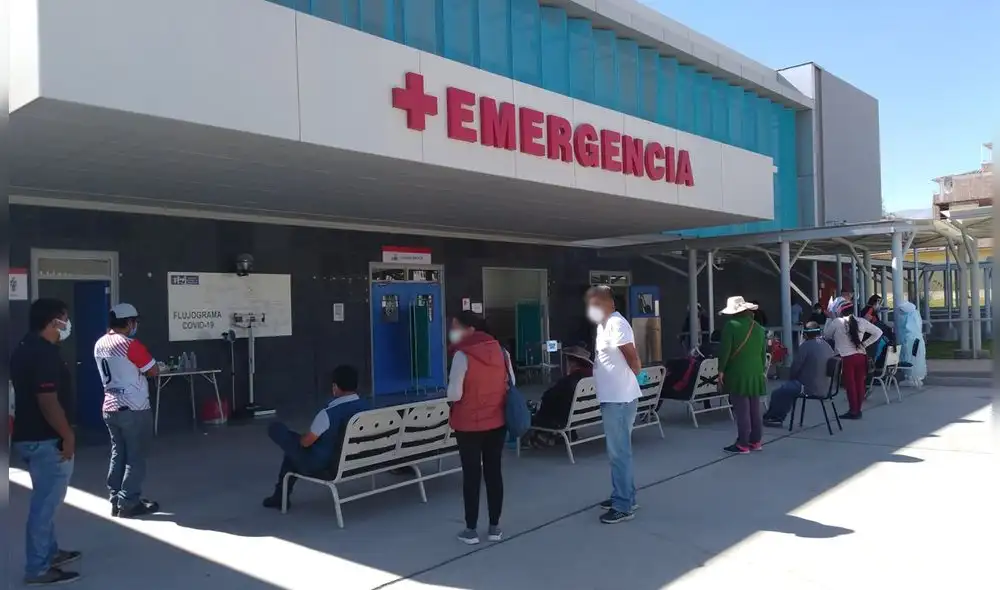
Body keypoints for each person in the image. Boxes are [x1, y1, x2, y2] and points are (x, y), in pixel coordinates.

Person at [10, 298, 81, 585]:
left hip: (29, 437)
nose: (67, 324)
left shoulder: (26, 347)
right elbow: (47, 400)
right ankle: (38, 568)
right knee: (45, 507)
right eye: (64, 318)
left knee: (46, 500)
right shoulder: (43, 354)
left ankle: (51, 553)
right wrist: (67, 435)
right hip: (46, 440)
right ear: (55, 321)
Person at [262, 365, 369, 509]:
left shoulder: (328, 414)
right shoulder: (366, 408)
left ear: (335, 387)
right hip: (357, 461)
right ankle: (279, 496)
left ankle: (279, 498)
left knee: (277, 430)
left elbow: (306, 443)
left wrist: (298, 439)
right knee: (292, 454)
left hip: (326, 465)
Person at [447, 311, 512, 545]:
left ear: (470, 329)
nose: (452, 331)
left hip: (468, 425)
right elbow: (509, 383)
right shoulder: (501, 351)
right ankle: (495, 527)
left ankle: (471, 529)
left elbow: (454, 393)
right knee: (494, 472)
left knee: (471, 476)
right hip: (496, 422)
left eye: (456, 327)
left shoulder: (462, 355)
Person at [94, 303, 161, 518]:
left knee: (118, 452)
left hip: (110, 406)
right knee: (136, 455)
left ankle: (116, 498)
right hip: (134, 407)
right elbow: (153, 370)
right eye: (135, 322)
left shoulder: (100, 343)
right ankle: (129, 502)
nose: (136, 326)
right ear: (129, 322)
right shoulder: (130, 345)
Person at [586, 285, 643, 524]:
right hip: (613, 397)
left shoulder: (617, 324)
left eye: (598, 302)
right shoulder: (604, 325)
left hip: (619, 399)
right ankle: (626, 495)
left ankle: (623, 505)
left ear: (611, 303)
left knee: (619, 453)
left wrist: (634, 375)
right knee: (620, 452)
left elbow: (632, 356)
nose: (593, 307)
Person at [716, 296, 768, 454]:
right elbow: (762, 353)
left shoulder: (731, 326)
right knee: (755, 408)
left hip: (738, 372)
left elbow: (725, 351)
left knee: (742, 409)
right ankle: (756, 441)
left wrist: (721, 370)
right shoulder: (758, 327)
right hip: (756, 371)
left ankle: (743, 443)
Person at [762, 322, 835, 427]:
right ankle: (775, 416)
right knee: (788, 389)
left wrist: (792, 379)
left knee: (779, 392)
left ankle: (774, 418)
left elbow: (795, 368)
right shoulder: (826, 345)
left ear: (805, 334)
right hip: (825, 387)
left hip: (808, 387)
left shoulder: (805, 346)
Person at [523, 346, 593, 449]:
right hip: (586, 416)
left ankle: (533, 439)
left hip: (563, 419)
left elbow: (547, 397)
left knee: (531, 416)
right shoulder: (591, 378)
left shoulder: (569, 381)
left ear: (572, 363)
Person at [824, 302, 883, 420]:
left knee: (850, 385)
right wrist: (865, 344)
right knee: (860, 383)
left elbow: (827, 335)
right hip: (861, 356)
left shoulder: (837, 322)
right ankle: (858, 409)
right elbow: (878, 332)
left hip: (846, 357)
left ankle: (853, 410)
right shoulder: (861, 321)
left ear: (840, 311)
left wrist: (830, 321)